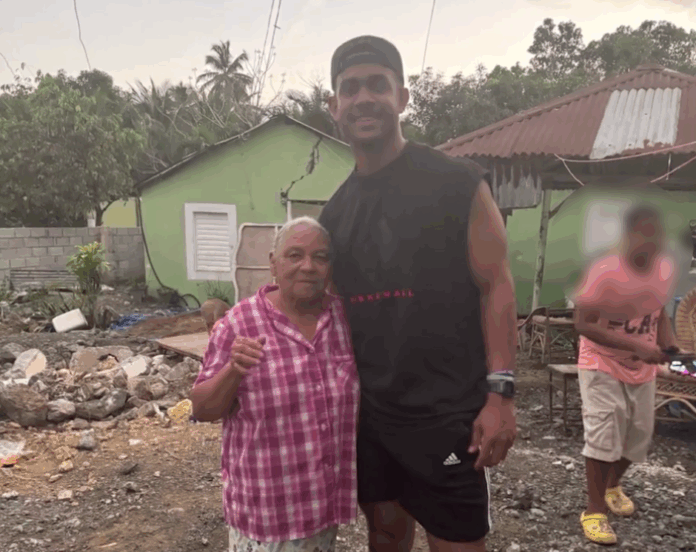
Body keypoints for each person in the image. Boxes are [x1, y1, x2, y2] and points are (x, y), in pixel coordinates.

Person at [230, 36, 517, 552]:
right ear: (333, 106)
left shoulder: (457, 182)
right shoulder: (336, 215)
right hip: (370, 419)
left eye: (377, 85)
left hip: (448, 415)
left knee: (456, 542)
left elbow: (496, 284)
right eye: (350, 88)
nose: (363, 98)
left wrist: (501, 395)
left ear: (402, 97)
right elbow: (319, 310)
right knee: (384, 533)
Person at [190, 217, 360, 552]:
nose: (308, 266)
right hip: (266, 517)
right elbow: (202, 409)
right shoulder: (240, 323)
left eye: (320, 257)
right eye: (294, 255)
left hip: (323, 510)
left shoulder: (344, 320)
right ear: (273, 263)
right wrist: (233, 370)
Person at [573, 204, 687, 545]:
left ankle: (612, 485)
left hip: (642, 368)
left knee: (638, 437)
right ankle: (594, 511)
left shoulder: (663, 269)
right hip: (601, 362)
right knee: (605, 434)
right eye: (646, 234)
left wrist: (671, 345)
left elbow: (660, 313)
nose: (654, 242)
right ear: (628, 235)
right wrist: (636, 346)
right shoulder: (603, 271)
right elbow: (582, 323)